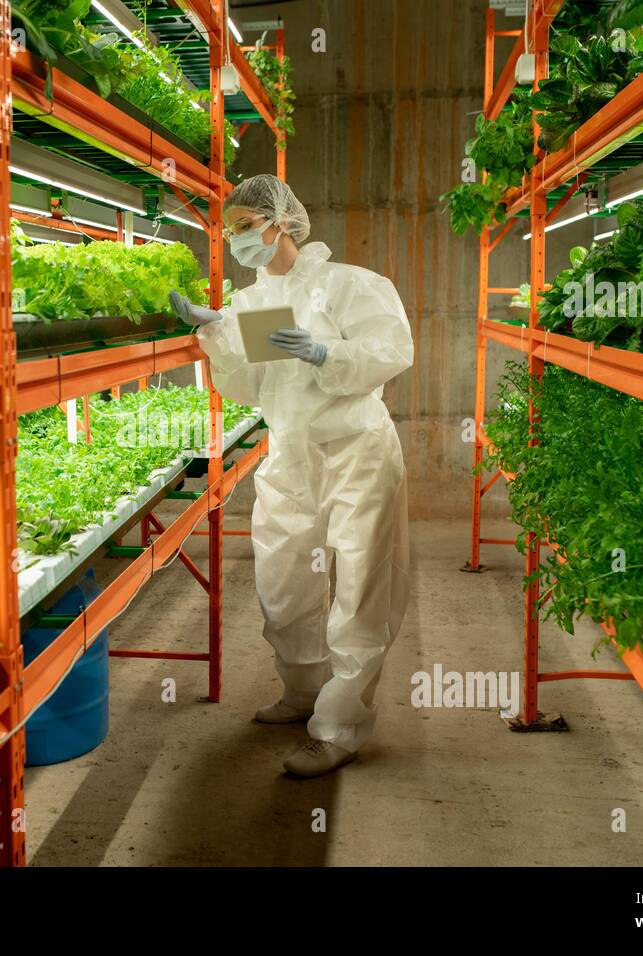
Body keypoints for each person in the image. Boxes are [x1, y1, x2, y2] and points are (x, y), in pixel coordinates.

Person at [168, 173, 413, 779]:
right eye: (230, 231)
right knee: (283, 581)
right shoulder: (250, 304)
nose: (237, 239)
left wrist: (329, 353)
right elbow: (250, 386)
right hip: (290, 454)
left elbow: (393, 350)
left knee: (359, 585)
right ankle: (302, 691)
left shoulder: (351, 284)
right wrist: (215, 333)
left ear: (280, 223)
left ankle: (339, 727)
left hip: (355, 451)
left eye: (245, 226)